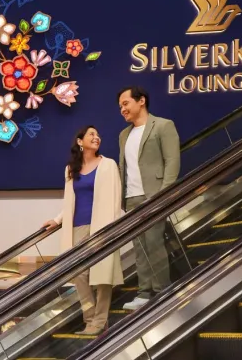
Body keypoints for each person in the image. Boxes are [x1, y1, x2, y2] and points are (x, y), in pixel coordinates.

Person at [43, 126, 123, 335]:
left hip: (102, 226)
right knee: (79, 274)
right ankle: (90, 318)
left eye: (98, 135)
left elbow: (115, 198)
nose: (97, 137)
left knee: (103, 276)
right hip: (77, 227)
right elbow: (70, 200)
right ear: (80, 141)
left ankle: (99, 321)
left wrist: (115, 227)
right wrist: (57, 220)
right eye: (91, 135)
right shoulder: (71, 169)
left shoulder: (108, 165)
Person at [116, 86, 180, 311]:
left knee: (154, 243)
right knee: (140, 248)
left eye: (125, 103)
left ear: (141, 100)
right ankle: (144, 293)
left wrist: (164, 194)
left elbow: (172, 161)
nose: (122, 109)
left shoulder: (163, 125)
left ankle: (163, 291)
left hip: (153, 195)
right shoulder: (124, 135)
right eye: (120, 106)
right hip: (131, 197)